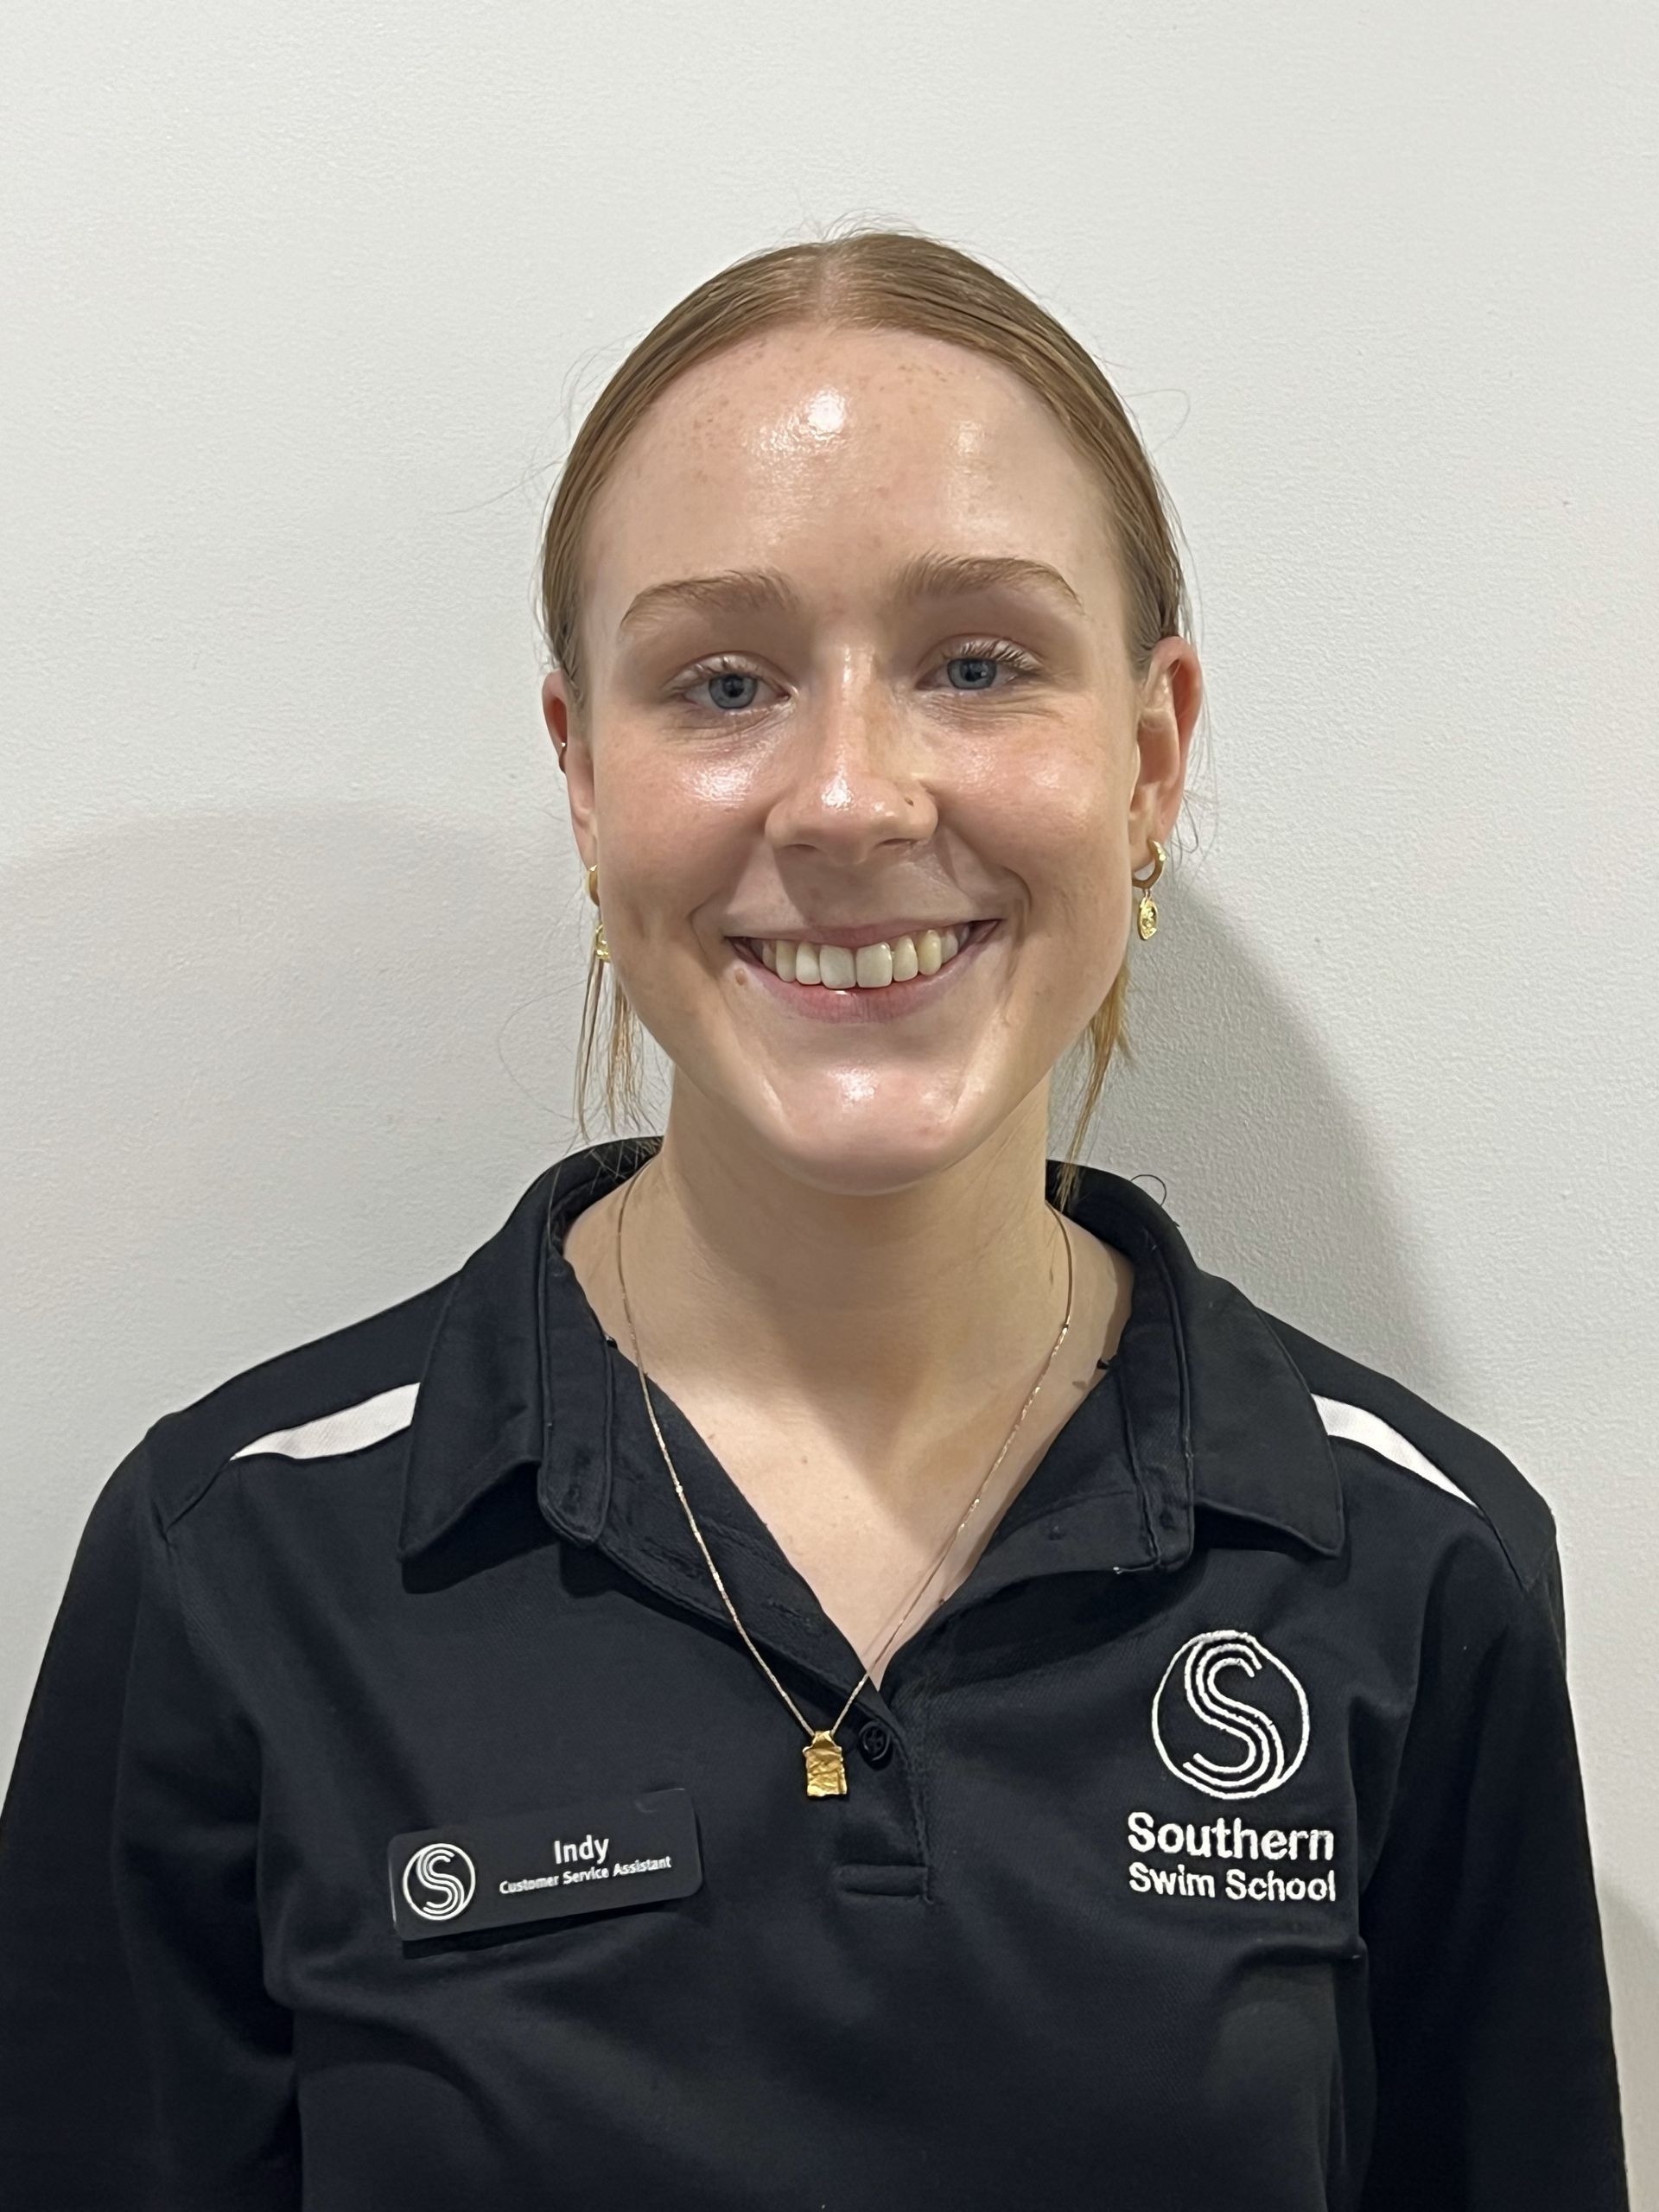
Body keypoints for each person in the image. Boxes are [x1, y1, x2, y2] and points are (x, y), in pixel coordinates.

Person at [0, 226, 1630, 2211]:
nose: (850, 796)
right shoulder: (240, 1563)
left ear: (1148, 754)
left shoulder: (1410, 1564)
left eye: (975, 662)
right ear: (584, 773)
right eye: (724, 680)